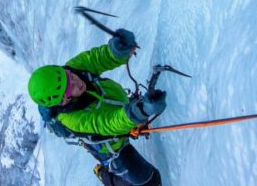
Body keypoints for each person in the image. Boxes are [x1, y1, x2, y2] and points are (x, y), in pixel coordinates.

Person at [27, 29, 165, 186]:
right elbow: (107, 123)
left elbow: (98, 59)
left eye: (69, 76)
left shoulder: (74, 68)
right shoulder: (71, 120)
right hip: (113, 148)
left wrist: (117, 51)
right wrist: (138, 112)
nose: (76, 81)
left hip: (120, 109)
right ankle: (106, 176)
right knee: (150, 181)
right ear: (62, 101)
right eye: (69, 88)